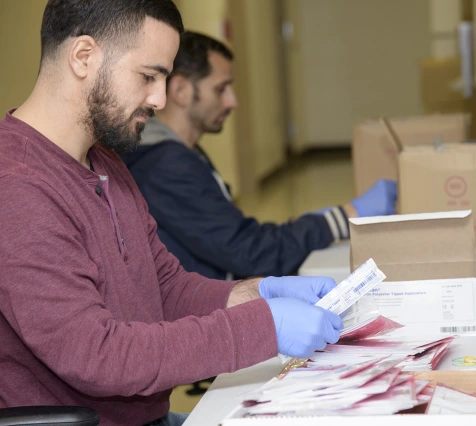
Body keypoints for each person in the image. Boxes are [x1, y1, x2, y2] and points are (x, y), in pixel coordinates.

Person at [0, 2, 343, 425]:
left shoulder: (106, 161)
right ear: (83, 57)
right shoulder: (16, 185)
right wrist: (262, 327)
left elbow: (164, 287)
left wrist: (255, 293)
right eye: (148, 76)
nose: (160, 99)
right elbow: (97, 355)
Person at [121, 31, 397, 282]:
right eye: (221, 89)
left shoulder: (178, 152)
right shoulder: (165, 164)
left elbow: (233, 234)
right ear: (181, 90)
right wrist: (343, 217)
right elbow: (250, 253)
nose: (232, 101)